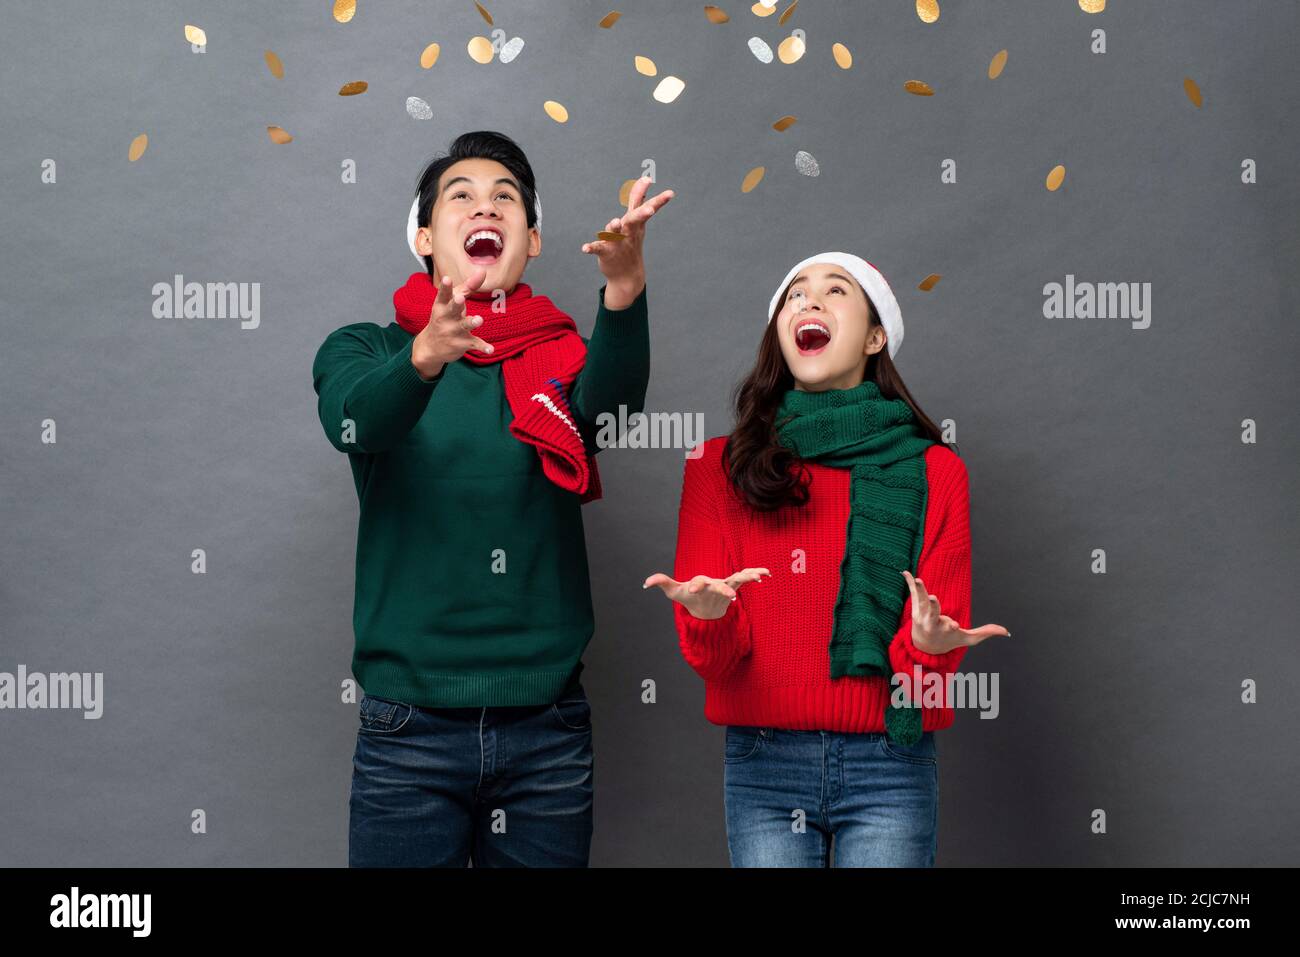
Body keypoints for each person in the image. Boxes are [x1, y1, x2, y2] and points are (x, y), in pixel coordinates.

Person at [313, 130, 672, 866]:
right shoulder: (364, 348)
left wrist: (625, 293)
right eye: (463, 196)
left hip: (546, 726)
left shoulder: (563, 353)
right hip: (405, 729)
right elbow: (353, 422)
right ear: (423, 235)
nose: (488, 206)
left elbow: (608, 415)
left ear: (532, 240)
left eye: (507, 198)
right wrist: (423, 358)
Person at [644, 252, 1008, 867]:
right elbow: (717, 664)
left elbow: (923, 681)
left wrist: (928, 647)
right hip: (764, 765)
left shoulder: (936, 471)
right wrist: (708, 616)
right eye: (794, 296)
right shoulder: (717, 468)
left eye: (834, 291)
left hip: (890, 767)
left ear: (874, 336)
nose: (808, 303)